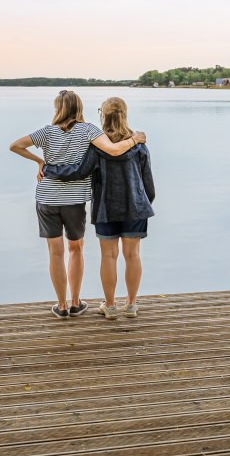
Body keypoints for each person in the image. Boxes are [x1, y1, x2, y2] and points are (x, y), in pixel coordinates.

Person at [9, 90, 146, 320]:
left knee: (56, 253)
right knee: (78, 249)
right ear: (79, 108)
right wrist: (135, 139)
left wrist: (40, 162)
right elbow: (117, 153)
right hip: (77, 200)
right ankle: (78, 302)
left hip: (48, 198)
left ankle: (64, 306)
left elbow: (15, 146)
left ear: (58, 108)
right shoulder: (89, 131)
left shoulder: (47, 132)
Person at [43, 96, 154, 320]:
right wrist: (143, 203)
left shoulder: (96, 146)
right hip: (135, 207)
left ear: (103, 116)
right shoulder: (139, 145)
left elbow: (78, 172)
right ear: (125, 114)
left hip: (106, 208)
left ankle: (110, 306)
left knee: (109, 256)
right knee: (133, 255)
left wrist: (49, 169)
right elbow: (148, 184)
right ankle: (131, 305)